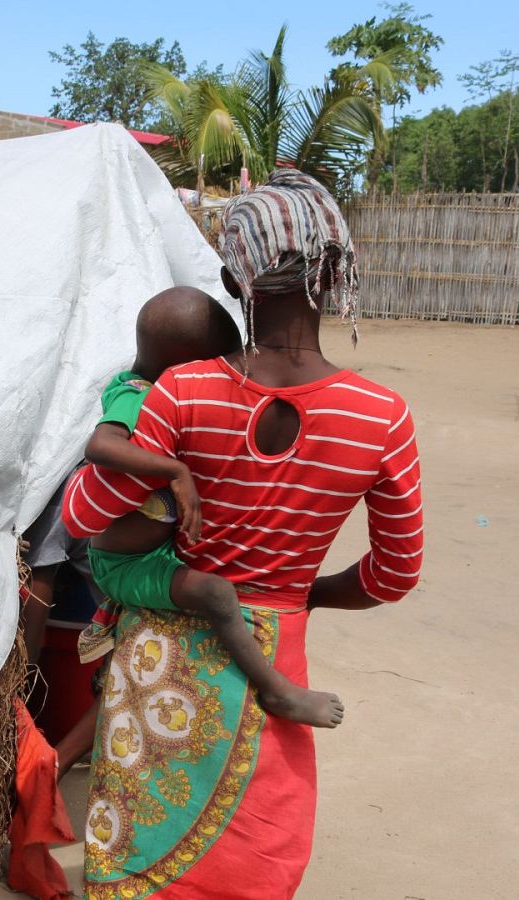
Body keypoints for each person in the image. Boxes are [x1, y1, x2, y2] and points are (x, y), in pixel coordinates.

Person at [63, 169, 425, 900]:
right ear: (336, 273)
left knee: (141, 862)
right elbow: (394, 575)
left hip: (159, 662)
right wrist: (301, 596)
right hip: (274, 658)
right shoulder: (381, 417)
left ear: (234, 280)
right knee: (252, 862)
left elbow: (83, 516)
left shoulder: (181, 390)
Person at [72, 286, 344, 729]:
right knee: (215, 593)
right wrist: (176, 470)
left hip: (155, 548)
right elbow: (101, 446)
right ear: (185, 368)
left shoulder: (172, 397)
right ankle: (276, 689)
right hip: (123, 563)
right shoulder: (134, 394)